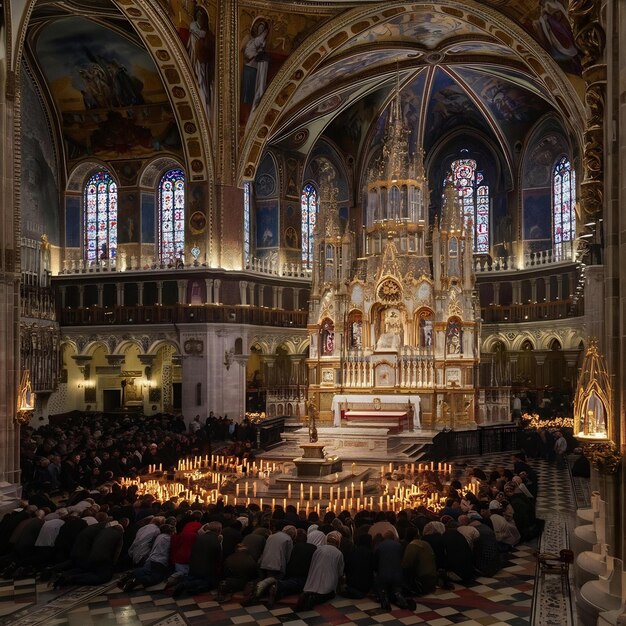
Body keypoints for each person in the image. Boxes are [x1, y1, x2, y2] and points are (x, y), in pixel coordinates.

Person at [296, 530, 344, 611]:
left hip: (313, 580)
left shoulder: (318, 549)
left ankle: (307, 594)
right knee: (328, 594)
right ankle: (312, 599)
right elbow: (340, 572)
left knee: (313, 589)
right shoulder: (338, 553)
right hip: (328, 582)